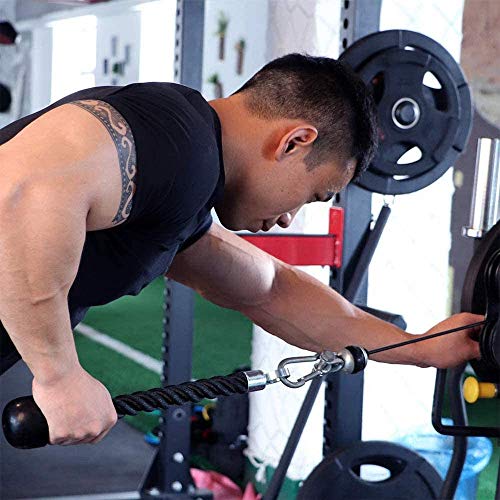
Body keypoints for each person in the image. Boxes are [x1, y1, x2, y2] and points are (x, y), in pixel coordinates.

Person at [0, 54, 482, 447]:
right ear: (294, 141)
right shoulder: (177, 138)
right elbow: (24, 188)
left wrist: (418, 348)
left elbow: (269, 290)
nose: (292, 217)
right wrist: (57, 374)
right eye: (315, 194)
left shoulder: (188, 185)